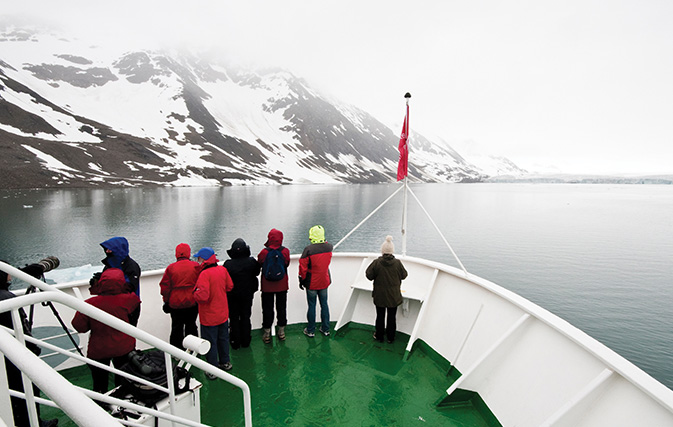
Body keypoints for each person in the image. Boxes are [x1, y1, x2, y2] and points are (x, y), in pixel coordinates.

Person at [0, 264, 59, 427]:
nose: (11, 276)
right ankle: (33, 422)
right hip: (15, 354)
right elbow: (21, 327)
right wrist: (33, 349)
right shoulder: (7, 298)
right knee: (27, 389)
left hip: (5, 355)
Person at [72, 268, 141, 394]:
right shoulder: (130, 300)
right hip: (124, 346)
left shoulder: (89, 304)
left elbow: (79, 327)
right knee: (124, 379)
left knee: (99, 381)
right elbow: (133, 317)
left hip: (99, 349)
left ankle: (101, 399)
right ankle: (122, 398)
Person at [193, 247, 234, 378]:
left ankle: (212, 369)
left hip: (209, 317)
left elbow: (203, 296)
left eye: (199, 258)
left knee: (210, 342)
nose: (197, 260)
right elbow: (230, 286)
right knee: (223, 338)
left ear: (203, 259)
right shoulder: (222, 270)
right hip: (222, 313)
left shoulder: (204, 274)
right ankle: (225, 362)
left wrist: (195, 293)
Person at [365, 236, 408, 343]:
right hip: (394, 296)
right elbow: (404, 275)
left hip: (380, 295)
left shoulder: (376, 263)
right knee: (391, 317)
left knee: (380, 316)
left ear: (382, 251)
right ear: (392, 251)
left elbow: (369, 275)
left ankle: (379, 336)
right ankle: (390, 337)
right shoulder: (397, 263)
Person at [159, 243, 199, 350]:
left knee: (176, 327)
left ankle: (176, 351)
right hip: (192, 301)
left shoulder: (171, 268)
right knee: (191, 325)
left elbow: (165, 287)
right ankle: (193, 349)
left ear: (176, 254)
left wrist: (166, 301)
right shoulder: (195, 266)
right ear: (188, 253)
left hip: (175, 303)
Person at [223, 238, 260, 349]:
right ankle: (246, 341)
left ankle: (235, 341)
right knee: (245, 316)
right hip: (247, 294)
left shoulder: (228, 264)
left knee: (234, 318)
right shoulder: (251, 262)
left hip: (232, 296)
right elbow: (257, 272)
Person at [96, 237, 141, 326]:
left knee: (127, 332)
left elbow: (131, 287)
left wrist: (109, 282)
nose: (107, 252)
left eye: (110, 249)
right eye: (106, 249)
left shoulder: (131, 267)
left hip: (129, 307)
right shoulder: (109, 265)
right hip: (110, 306)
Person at [298, 225, 333, 338]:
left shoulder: (308, 250)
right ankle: (326, 329)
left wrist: (301, 280)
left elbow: (303, 268)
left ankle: (311, 330)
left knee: (312, 305)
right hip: (324, 281)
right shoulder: (329, 247)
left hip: (312, 282)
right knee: (324, 304)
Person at [257, 229, 290, 344]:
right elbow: (286, 263)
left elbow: (260, 263)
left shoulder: (264, 252)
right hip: (282, 285)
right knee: (281, 308)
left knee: (267, 309)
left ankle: (267, 333)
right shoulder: (285, 251)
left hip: (267, 286)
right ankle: (281, 332)